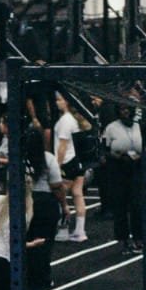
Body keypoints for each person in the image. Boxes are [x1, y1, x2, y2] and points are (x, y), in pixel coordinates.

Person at [24, 125, 63, 290]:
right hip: (45, 203)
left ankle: (29, 276)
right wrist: (64, 206)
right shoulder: (48, 159)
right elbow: (57, 186)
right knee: (45, 243)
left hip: (26, 202)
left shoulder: (21, 160)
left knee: (28, 241)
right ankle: (42, 278)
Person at [101, 103, 143, 254]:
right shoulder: (111, 128)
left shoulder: (139, 126)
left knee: (137, 205)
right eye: (122, 109)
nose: (125, 112)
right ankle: (123, 240)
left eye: (127, 109)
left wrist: (140, 157)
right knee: (120, 207)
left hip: (136, 169)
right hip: (118, 170)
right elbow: (104, 150)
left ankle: (138, 238)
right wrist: (117, 156)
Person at [52, 91, 89, 242]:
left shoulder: (66, 121)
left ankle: (63, 229)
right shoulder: (74, 119)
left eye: (59, 100)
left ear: (66, 102)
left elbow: (62, 146)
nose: (57, 103)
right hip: (77, 160)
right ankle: (80, 231)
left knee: (60, 197)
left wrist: (57, 166)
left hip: (67, 162)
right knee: (77, 194)